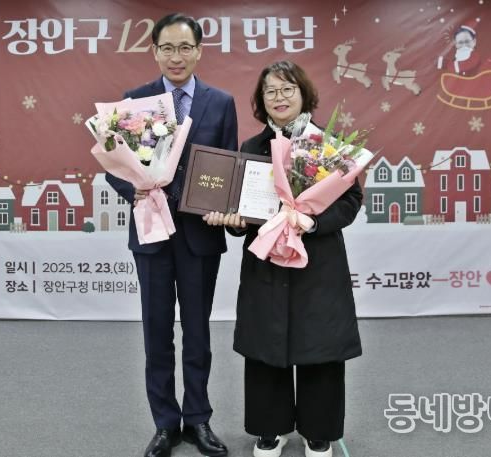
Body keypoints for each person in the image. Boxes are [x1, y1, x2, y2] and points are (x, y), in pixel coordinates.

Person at [205, 60, 362, 457]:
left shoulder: (326, 144)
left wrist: (313, 222)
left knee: (320, 343)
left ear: (303, 94)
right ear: (261, 100)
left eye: (287, 88)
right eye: (270, 91)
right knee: (266, 343)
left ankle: (318, 431)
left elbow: (350, 201)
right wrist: (234, 222)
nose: (279, 97)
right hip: (267, 264)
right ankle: (269, 429)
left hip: (317, 260)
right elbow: (241, 211)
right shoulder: (250, 149)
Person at [105, 13, 238, 457]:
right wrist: (138, 190)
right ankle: (165, 424)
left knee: (197, 332)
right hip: (151, 232)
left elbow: (228, 166)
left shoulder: (221, 103)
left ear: (199, 51)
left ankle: (198, 419)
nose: (176, 56)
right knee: (156, 332)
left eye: (184, 48)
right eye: (167, 48)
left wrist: (225, 206)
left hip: (200, 235)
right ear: (155, 51)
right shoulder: (135, 101)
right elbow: (114, 169)